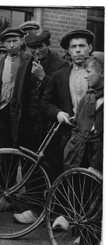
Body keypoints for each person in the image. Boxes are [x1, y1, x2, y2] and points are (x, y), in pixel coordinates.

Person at [17, 29, 94, 225]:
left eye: (82, 46)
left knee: (90, 178)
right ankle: (66, 215)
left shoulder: (99, 73)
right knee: (63, 173)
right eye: (74, 47)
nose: (78, 51)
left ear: (90, 48)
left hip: (96, 136)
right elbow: (45, 103)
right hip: (67, 135)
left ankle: (89, 221)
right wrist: (58, 113)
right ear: (68, 50)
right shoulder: (61, 75)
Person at [8, 30, 69, 223]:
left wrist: (44, 77)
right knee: (29, 168)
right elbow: (16, 99)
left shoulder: (61, 65)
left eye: (40, 47)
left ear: (48, 45)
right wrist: (14, 122)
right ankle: (34, 210)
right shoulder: (24, 65)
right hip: (27, 126)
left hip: (51, 128)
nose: (37, 52)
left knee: (53, 168)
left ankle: (58, 213)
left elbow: (63, 97)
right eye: (32, 48)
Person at [0, 28, 28, 200]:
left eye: (15, 41)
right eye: (8, 42)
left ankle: (20, 192)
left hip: (21, 114)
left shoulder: (28, 60)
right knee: (4, 152)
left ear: (21, 41)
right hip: (2, 113)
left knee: (21, 153)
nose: (12, 45)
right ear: (3, 44)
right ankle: (5, 192)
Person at [63, 51, 103, 172]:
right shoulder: (87, 98)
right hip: (79, 154)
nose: (85, 76)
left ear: (102, 73)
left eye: (89, 72)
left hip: (98, 156)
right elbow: (76, 126)